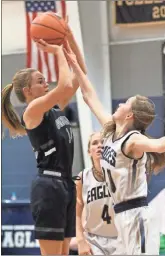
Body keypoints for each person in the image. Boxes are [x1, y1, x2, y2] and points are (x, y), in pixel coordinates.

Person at [63, 43, 165, 255]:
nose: (119, 104)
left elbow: (156, 144)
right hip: (119, 215)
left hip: (136, 215)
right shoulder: (110, 132)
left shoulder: (133, 140)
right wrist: (75, 65)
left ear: (130, 115)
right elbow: (89, 96)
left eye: (125, 103)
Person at [2, 25, 86, 255]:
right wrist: (58, 51)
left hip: (66, 184)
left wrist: (69, 41)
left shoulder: (55, 109)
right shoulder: (32, 111)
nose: (45, 82)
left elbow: (80, 75)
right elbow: (66, 85)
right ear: (28, 90)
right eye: (40, 81)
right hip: (48, 187)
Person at [76, 132, 118, 255]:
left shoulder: (119, 173)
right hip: (94, 241)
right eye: (95, 143)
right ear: (89, 151)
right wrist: (80, 240)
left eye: (103, 142)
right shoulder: (82, 177)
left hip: (120, 238)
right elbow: (77, 212)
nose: (99, 145)